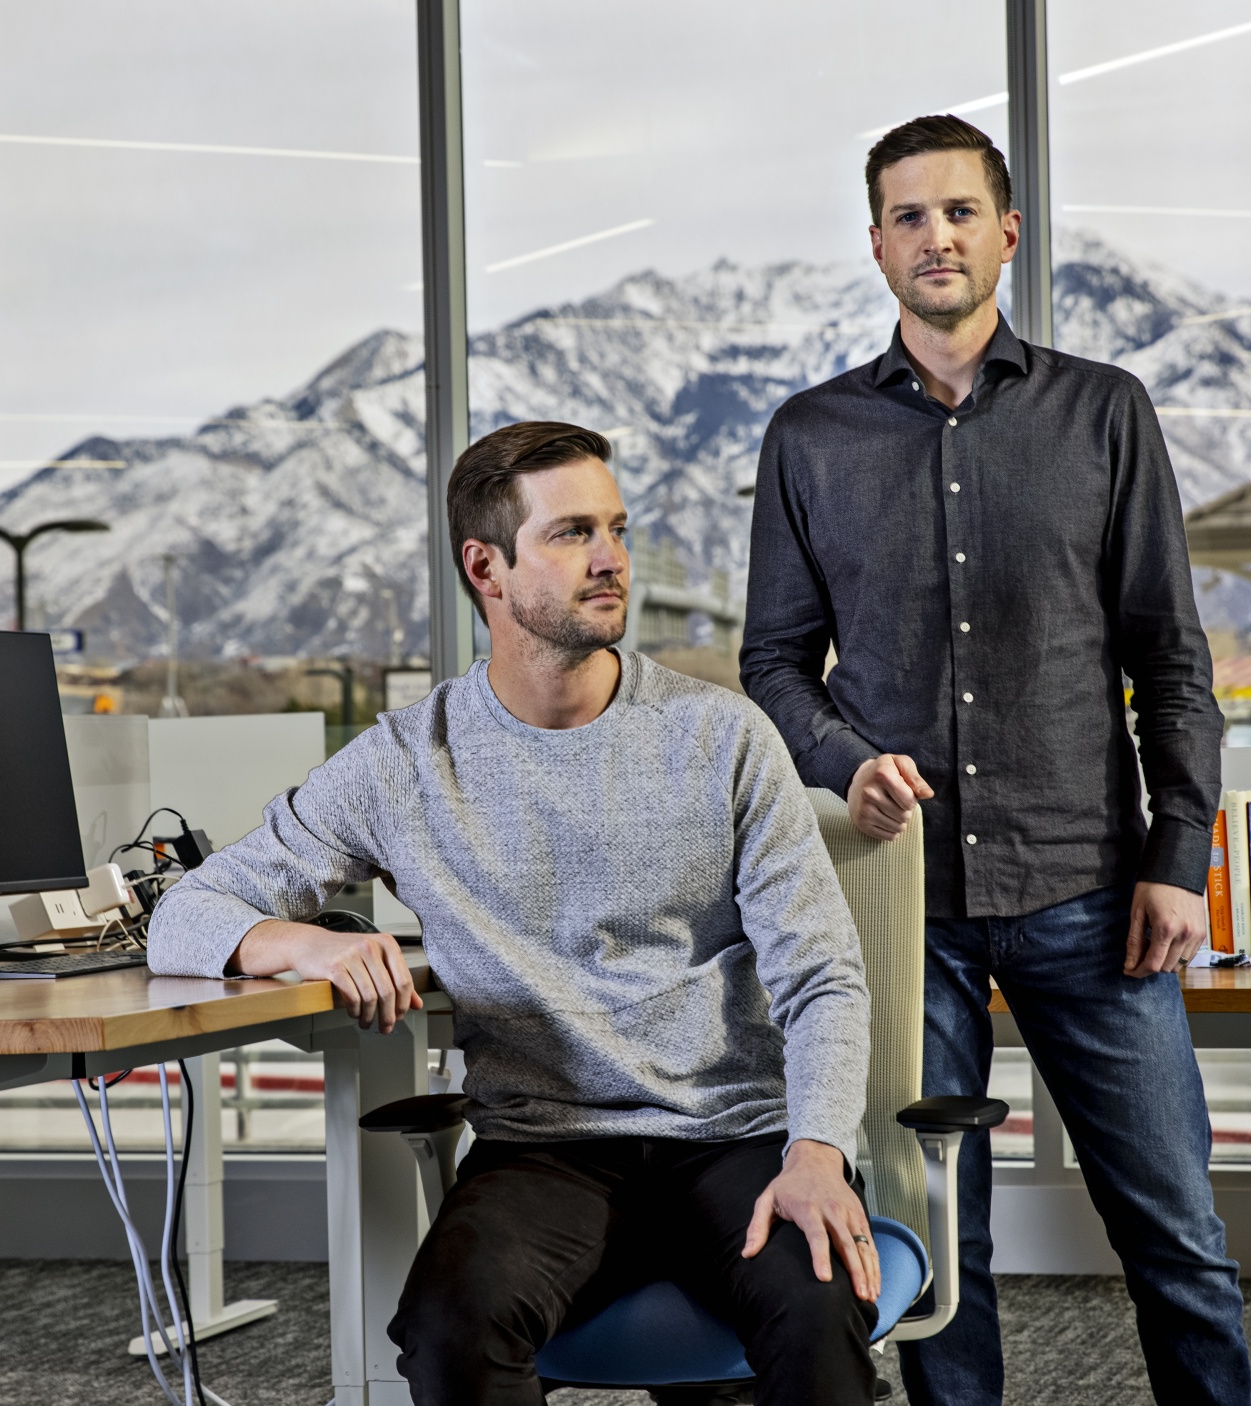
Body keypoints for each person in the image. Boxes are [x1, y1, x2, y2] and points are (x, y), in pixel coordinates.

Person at [147, 421, 882, 1406]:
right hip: (545, 1150)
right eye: (572, 532)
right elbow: (183, 912)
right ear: (485, 567)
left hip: (735, 1133)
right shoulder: (405, 763)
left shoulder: (721, 737)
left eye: (615, 528)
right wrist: (296, 939)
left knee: (818, 1306)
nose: (610, 557)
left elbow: (822, 977)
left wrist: (819, 1151)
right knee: (450, 1327)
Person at [739, 115, 1251, 1406]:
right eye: (908, 216)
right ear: (875, 245)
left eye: (959, 211)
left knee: (1176, 1230)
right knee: (930, 1241)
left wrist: (1178, 854)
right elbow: (774, 665)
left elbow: (1168, 657)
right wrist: (844, 758)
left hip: (1092, 890)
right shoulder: (808, 435)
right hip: (901, 902)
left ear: (1007, 233)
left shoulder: (1103, 412)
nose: (936, 237)